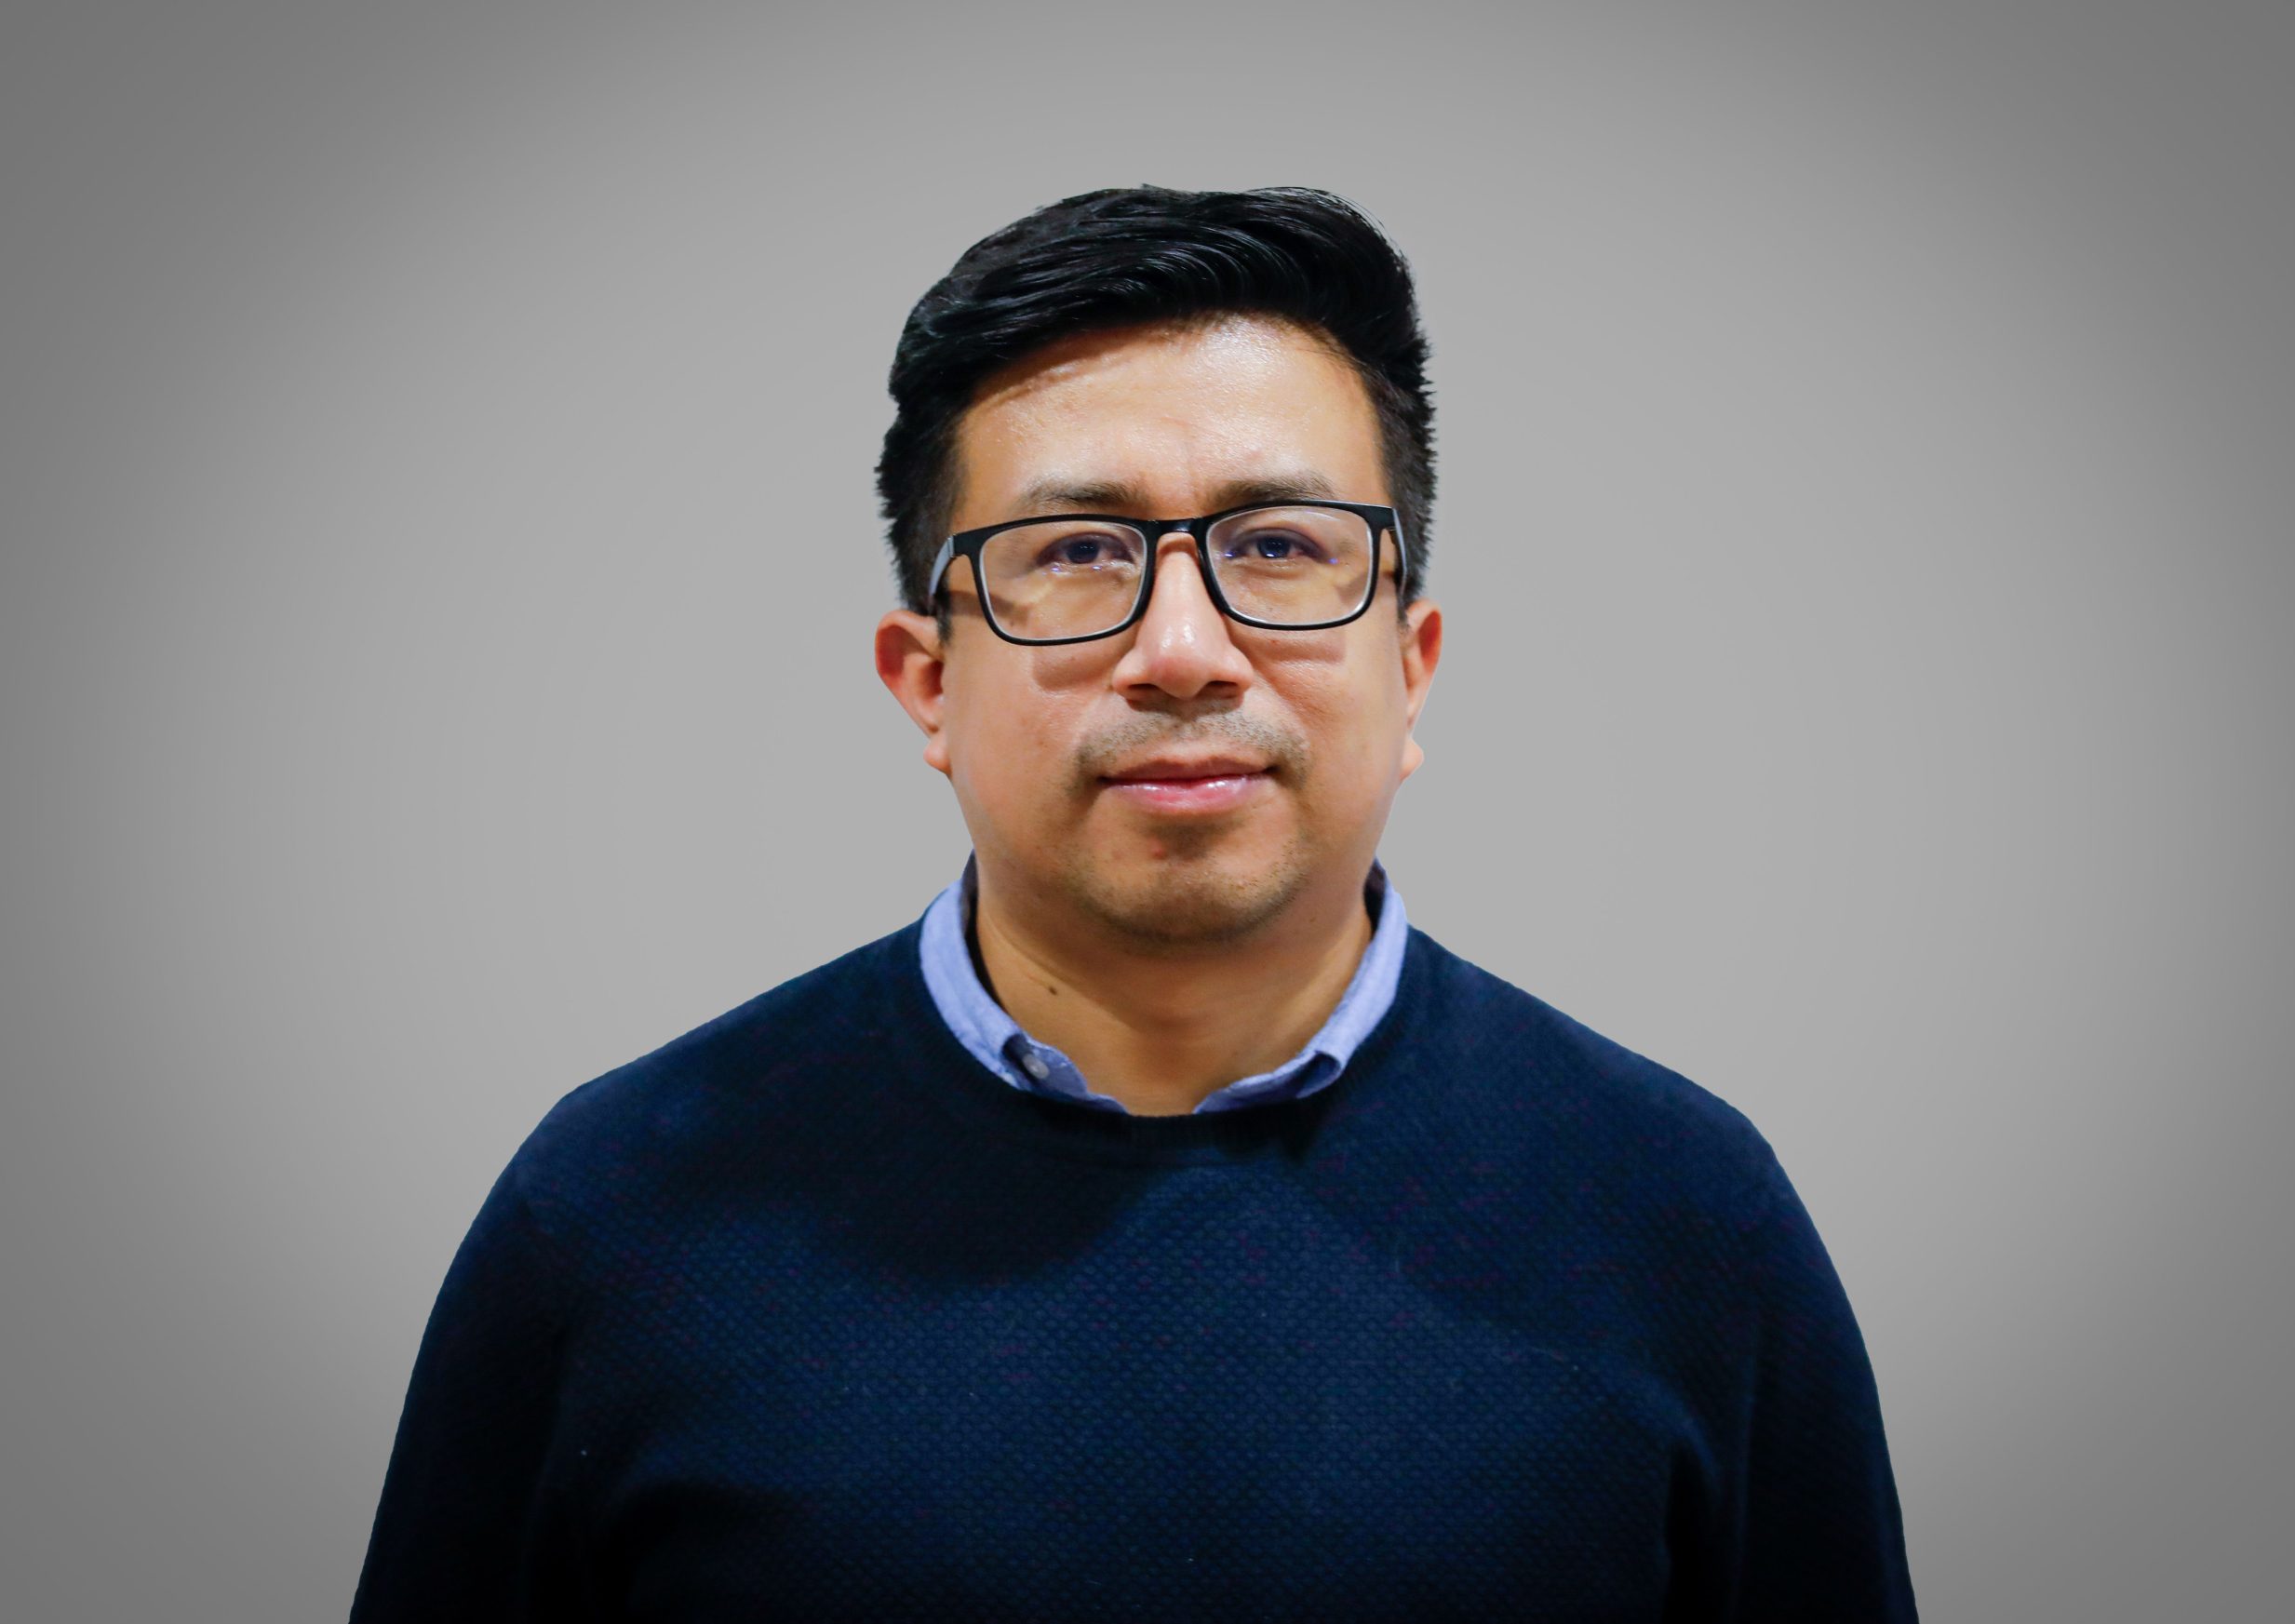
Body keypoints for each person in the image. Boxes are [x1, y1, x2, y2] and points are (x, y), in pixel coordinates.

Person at [348, 185, 1919, 1620]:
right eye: (1079, 551)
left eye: (1280, 544)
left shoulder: (1685, 1215)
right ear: (927, 680)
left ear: (1413, 662)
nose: (1181, 650)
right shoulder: (616, 1211)